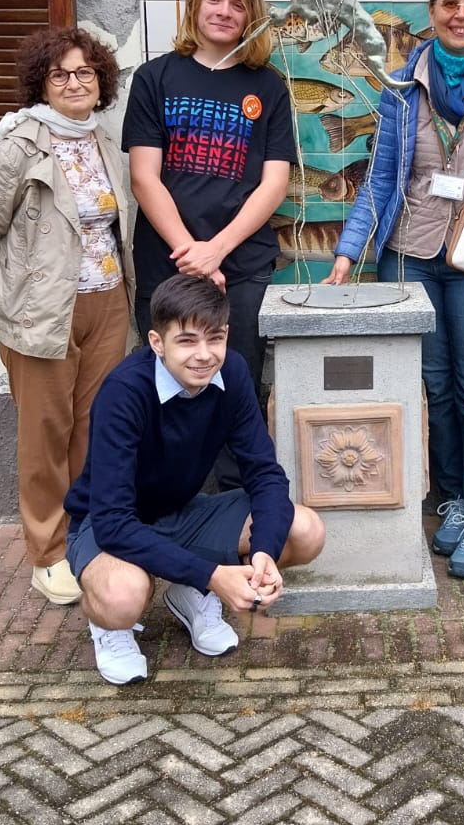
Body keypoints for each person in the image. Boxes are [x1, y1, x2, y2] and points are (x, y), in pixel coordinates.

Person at [324, 0, 464, 579]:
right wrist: (347, 251)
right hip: (409, 253)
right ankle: (454, 497)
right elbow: (380, 178)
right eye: (450, 4)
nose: (461, 15)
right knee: (433, 384)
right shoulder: (400, 88)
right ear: (431, 12)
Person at [64, 275, 325, 685]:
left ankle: (190, 593)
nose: (204, 355)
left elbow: (265, 474)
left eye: (215, 338)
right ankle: (110, 626)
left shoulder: (232, 373)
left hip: (183, 513)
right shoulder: (124, 392)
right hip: (106, 524)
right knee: (123, 596)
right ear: (157, 342)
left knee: (304, 531)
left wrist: (264, 551)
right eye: (187, 341)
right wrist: (213, 574)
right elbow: (113, 521)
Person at [0, 26, 134, 606]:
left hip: (109, 304)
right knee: (45, 435)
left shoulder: (103, 141)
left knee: (95, 429)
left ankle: (87, 538)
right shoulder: (20, 146)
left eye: (85, 72)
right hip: (43, 317)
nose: (75, 83)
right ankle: (49, 554)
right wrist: (12, 296)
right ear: (42, 84)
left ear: (101, 80)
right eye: (61, 74)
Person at [122, 0, 293, 425]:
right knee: (166, 392)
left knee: (236, 387)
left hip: (241, 267)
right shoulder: (154, 79)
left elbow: (274, 183)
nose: (224, 11)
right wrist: (191, 255)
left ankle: (235, 475)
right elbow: (144, 177)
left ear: (251, 14)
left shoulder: (270, 87)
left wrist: (216, 251)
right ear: (195, 4)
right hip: (167, 264)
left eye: (238, 4)